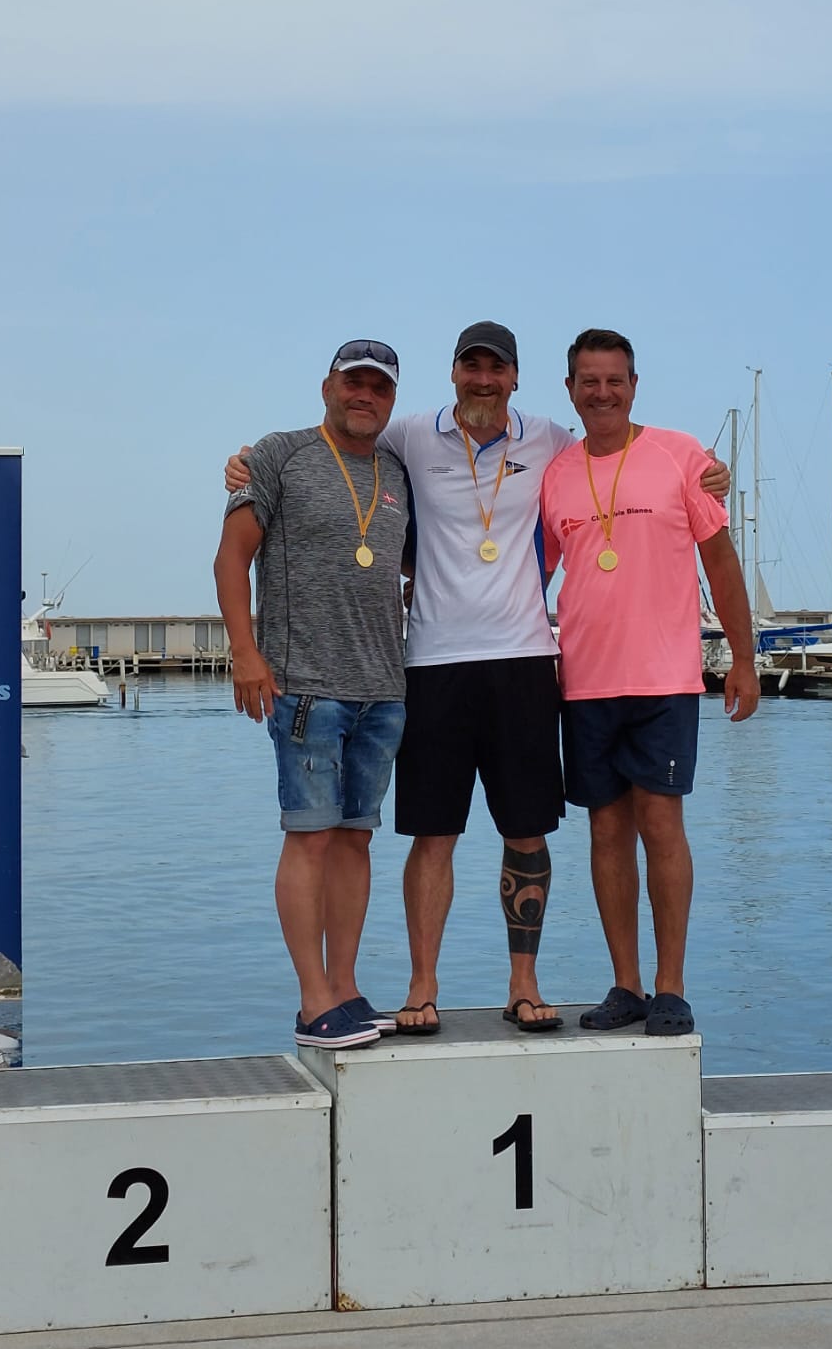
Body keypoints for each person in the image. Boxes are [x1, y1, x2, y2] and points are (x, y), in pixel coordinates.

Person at [226, 323, 730, 1037]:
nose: (484, 381)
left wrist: (709, 472)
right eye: (472, 369)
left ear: (517, 379)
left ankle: (524, 985)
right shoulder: (408, 436)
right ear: (454, 374)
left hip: (525, 661)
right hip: (431, 663)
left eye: (498, 370)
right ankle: (421, 987)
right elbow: (338, 442)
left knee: (527, 834)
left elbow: (622, 446)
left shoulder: (552, 437)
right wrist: (247, 464)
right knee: (432, 836)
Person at [541, 327, 759, 1036]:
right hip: (584, 680)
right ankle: (625, 985)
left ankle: (671, 987)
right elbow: (530, 573)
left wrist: (745, 659)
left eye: (615, 380)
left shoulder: (680, 455)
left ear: (634, 386)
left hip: (664, 675)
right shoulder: (556, 473)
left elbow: (721, 563)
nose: (601, 392)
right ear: (570, 389)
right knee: (606, 832)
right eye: (588, 380)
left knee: (661, 824)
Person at [214, 338, 412, 1050]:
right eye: (354, 382)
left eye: (380, 387)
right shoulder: (278, 454)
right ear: (328, 385)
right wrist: (245, 652)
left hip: (384, 690)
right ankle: (311, 1000)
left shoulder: (397, 470)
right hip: (305, 687)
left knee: (356, 841)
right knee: (309, 838)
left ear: (392, 398)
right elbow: (232, 557)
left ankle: (347, 987)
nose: (366, 396)